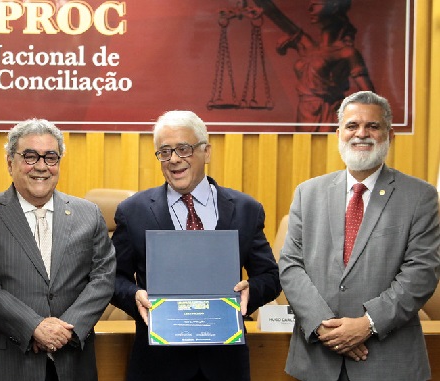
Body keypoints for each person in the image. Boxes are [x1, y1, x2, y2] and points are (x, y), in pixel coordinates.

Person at [279, 90, 440, 380]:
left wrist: (367, 324)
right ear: (339, 133)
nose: (361, 134)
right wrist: (323, 325)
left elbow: (422, 272)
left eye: (373, 126)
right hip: (317, 359)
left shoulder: (420, 196)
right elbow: (290, 265)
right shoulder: (308, 193)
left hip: (388, 362)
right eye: (352, 126)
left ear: (390, 136)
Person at [111, 110, 281, 381]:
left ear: (207, 152)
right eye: (164, 152)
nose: (174, 159)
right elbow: (113, 278)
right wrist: (134, 295)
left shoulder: (246, 209)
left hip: (224, 365)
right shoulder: (134, 211)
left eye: (184, 149)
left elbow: (271, 277)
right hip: (158, 366)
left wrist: (253, 291)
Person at [0, 118, 116, 381]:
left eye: (50, 158)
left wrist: (66, 331)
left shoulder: (89, 214)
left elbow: (103, 278)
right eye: (30, 157)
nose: (41, 167)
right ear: (10, 163)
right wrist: (34, 327)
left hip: (73, 361)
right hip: (7, 364)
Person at [256, 0, 375, 131]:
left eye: (316, 3)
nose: (310, 8)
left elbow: (369, 96)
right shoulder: (308, 46)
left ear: (334, 7)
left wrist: (351, 116)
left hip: (328, 116)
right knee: (303, 149)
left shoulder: (347, 52)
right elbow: (276, 16)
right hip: (304, 116)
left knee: (328, 150)